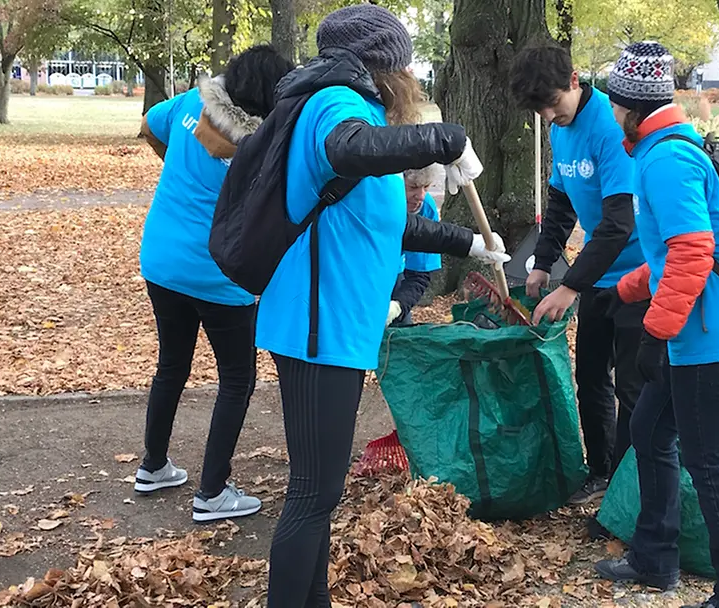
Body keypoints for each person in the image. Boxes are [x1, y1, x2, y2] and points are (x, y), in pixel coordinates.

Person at [251, 5, 508, 606]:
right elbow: (350, 150)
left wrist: (471, 243)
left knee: (321, 492)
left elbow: (387, 226)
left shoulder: (358, 107)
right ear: (384, 64)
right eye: (406, 66)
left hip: (339, 323)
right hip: (319, 324)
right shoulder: (333, 102)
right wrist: (441, 138)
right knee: (313, 494)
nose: (411, 79)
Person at [592, 42, 719, 608]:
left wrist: (656, 331)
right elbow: (675, 251)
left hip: (708, 337)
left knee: (711, 465)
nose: (608, 108)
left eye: (612, 99)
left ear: (627, 104)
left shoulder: (666, 158)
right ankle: (653, 558)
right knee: (648, 432)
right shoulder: (661, 150)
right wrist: (625, 289)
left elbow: (694, 251)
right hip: (695, 330)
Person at [135, 45, 294, 522]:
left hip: (162, 259)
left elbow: (149, 125)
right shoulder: (264, 141)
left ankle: (153, 465)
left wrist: (176, 164)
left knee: (171, 366)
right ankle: (212, 492)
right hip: (222, 272)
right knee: (236, 379)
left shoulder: (189, 104)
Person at [509, 43, 645, 505]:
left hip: (641, 275)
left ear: (573, 81)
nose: (549, 115)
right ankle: (603, 470)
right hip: (599, 278)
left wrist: (569, 286)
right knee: (590, 377)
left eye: (552, 103)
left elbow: (618, 223)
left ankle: (629, 487)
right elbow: (561, 204)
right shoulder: (559, 129)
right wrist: (543, 263)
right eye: (540, 111)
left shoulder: (609, 126)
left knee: (632, 385)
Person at [388, 164, 446, 326]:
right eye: (413, 187)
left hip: (396, 274)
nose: (420, 196)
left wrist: (398, 306)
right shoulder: (371, 200)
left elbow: (420, 274)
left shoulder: (425, 207)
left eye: (426, 187)